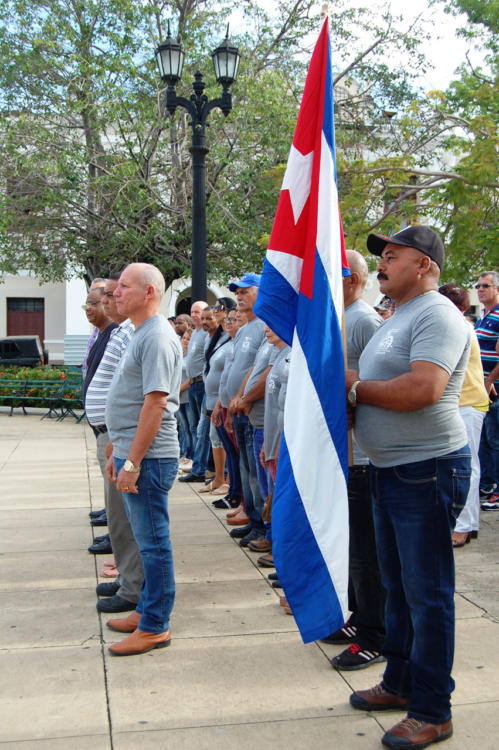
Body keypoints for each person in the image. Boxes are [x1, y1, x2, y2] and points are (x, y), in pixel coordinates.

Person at [346, 226, 471, 750]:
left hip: (427, 469)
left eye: (392, 257)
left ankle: (432, 709)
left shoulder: (438, 314)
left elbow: (423, 388)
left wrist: (354, 387)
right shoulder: (398, 317)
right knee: (397, 588)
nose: (382, 265)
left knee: (428, 595)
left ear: (423, 264)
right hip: (392, 469)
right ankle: (399, 681)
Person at [104, 262, 182, 657]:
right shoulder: (140, 333)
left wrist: (132, 462)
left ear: (149, 291)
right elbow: (132, 397)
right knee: (145, 539)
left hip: (150, 459)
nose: (115, 293)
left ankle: (155, 625)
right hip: (136, 453)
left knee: (153, 544)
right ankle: (146, 609)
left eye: (124, 287)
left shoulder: (157, 337)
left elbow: (155, 403)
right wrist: (117, 448)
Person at [326, 249, 386, 672]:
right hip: (343, 454)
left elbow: (377, 385)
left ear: (352, 280)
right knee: (353, 550)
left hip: (361, 456)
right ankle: (358, 618)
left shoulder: (364, 321)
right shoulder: (342, 318)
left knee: (367, 552)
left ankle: (374, 634)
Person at [85, 274, 143, 613]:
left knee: (125, 517)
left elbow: (143, 397)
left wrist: (123, 445)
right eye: (108, 294)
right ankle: (127, 578)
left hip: (119, 436)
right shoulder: (120, 332)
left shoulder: (133, 334)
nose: (111, 298)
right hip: (112, 435)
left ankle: (134, 586)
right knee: (119, 517)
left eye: (116, 292)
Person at [439, 284, 489, 546]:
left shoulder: (458, 325)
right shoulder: (457, 324)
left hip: (467, 402)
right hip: (462, 402)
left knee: (467, 466)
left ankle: (466, 525)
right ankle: (464, 523)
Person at [225, 274, 267, 547]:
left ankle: (263, 527)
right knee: (245, 469)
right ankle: (253, 520)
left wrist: (243, 397)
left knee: (255, 473)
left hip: (252, 410)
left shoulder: (265, 326)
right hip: (238, 411)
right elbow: (237, 368)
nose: (239, 298)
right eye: (237, 293)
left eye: (245, 292)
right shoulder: (245, 329)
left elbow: (261, 370)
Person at [474, 271, 499, 509]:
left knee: (495, 440)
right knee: (486, 441)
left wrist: (489, 381)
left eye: (486, 285)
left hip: (494, 390)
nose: (480, 289)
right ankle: (489, 485)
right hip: (482, 391)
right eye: (478, 285)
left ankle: (496, 490)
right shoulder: (483, 317)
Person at [180, 301, 210, 482]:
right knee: (193, 426)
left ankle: (200, 469)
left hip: (202, 383)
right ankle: (200, 465)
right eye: (193, 312)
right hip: (192, 386)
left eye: (198, 312)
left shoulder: (206, 333)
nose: (195, 315)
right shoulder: (195, 333)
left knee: (202, 429)